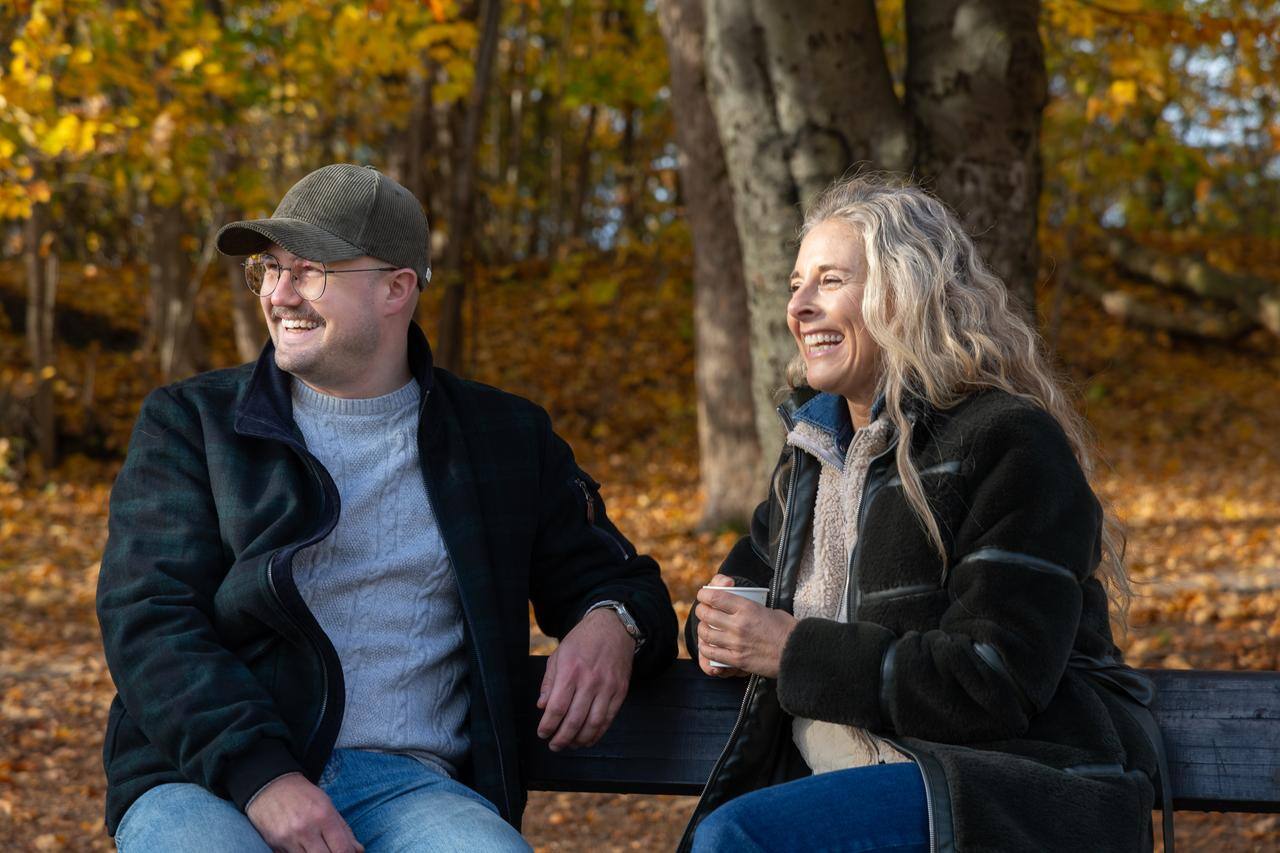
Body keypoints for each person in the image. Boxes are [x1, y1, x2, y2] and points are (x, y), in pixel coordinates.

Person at [96, 163, 677, 852]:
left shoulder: (503, 440)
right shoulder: (193, 424)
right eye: (269, 268)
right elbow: (149, 620)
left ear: (398, 288)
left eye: (309, 270)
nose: (280, 294)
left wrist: (613, 623)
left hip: (411, 789)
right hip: (208, 779)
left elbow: (624, 582)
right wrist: (263, 776)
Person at [681, 174, 1163, 853]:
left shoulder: (1008, 441)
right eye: (796, 284)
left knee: (738, 837)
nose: (801, 307)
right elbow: (735, 595)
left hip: (993, 791)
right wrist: (714, 629)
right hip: (855, 784)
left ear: (903, 293)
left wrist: (790, 649)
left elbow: (992, 677)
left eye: (829, 281)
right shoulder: (811, 458)